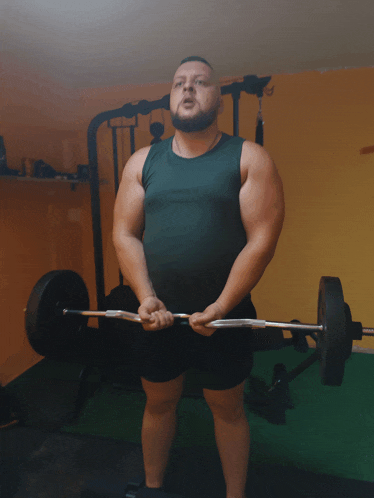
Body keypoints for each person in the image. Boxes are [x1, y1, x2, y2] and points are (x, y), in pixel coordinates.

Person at [112, 56, 285, 498]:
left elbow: (261, 241)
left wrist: (222, 306)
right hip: (157, 316)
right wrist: (145, 297)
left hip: (224, 316)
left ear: (218, 99)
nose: (187, 89)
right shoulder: (141, 162)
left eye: (200, 82)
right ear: (170, 98)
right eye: (179, 83)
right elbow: (125, 234)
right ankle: (152, 488)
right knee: (159, 401)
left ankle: (235, 495)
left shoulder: (250, 157)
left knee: (227, 408)